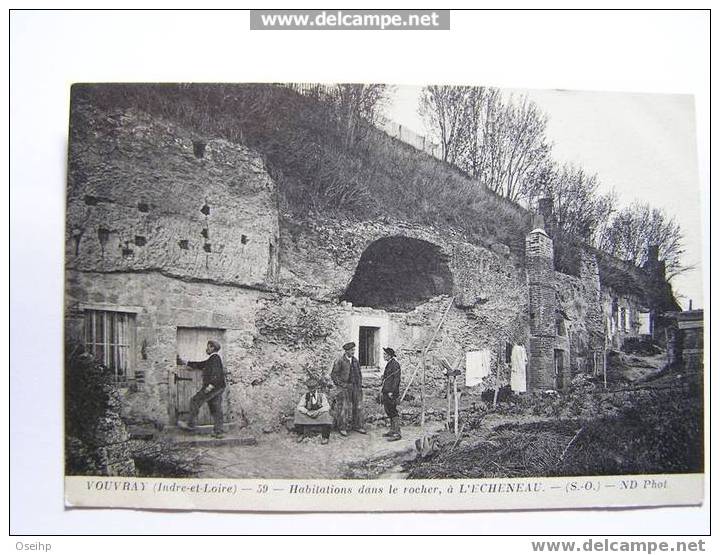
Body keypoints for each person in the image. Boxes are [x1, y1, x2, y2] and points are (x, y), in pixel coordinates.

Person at [177, 340, 227, 438]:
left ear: (212, 348)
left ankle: (190, 425)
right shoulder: (212, 359)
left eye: (208, 347)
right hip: (219, 387)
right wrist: (185, 362)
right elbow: (200, 364)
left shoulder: (215, 358)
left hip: (213, 387)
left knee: (195, 401)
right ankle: (218, 432)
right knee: (216, 409)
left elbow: (216, 373)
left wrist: (210, 386)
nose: (206, 349)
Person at [331, 341, 366, 436]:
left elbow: (359, 374)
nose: (353, 352)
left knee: (358, 406)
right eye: (351, 350)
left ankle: (358, 426)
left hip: (355, 387)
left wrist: (359, 385)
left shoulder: (355, 361)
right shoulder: (340, 360)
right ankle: (342, 427)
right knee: (343, 407)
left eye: (354, 350)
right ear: (346, 351)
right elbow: (334, 375)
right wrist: (341, 384)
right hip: (344, 387)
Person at [294, 377, 332, 444]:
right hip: (308, 415)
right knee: (297, 413)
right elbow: (299, 407)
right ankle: (300, 434)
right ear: (308, 388)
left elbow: (327, 406)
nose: (312, 390)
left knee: (326, 414)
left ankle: (325, 437)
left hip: (318, 415)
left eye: (314, 387)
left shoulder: (322, 395)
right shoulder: (305, 396)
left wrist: (318, 411)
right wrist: (307, 412)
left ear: (317, 387)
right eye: (310, 388)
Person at [380, 347, 402, 441]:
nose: (383, 356)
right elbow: (389, 377)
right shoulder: (389, 364)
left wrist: (391, 392)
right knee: (388, 410)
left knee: (393, 411)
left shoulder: (395, 364)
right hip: (386, 391)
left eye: (385, 355)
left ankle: (397, 433)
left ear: (389, 355)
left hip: (391, 393)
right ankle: (392, 430)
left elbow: (396, 380)